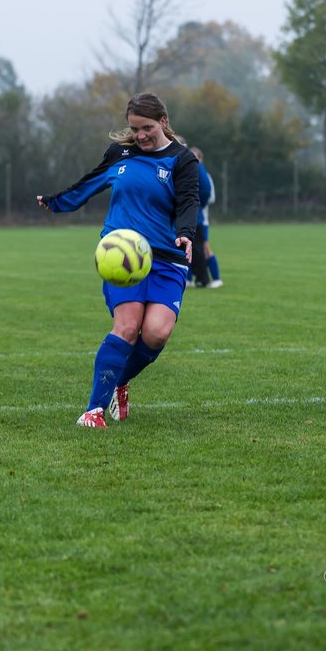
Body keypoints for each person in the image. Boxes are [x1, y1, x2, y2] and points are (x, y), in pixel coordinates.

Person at [37, 92, 197, 429]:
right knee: (126, 327)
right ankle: (93, 411)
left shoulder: (182, 160)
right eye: (135, 128)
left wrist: (185, 233)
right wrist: (56, 202)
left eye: (147, 127)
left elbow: (188, 202)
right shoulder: (120, 154)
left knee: (156, 334)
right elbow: (90, 183)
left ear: (163, 122)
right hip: (122, 258)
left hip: (168, 259)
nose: (140, 135)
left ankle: (119, 383)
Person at [188, 146, 223, 288]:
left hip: (202, 218)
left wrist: (197, 205)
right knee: (190, 248)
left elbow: (210, 196)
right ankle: (189, 279)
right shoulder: (191, 172)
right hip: (194, 217)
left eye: (195, 157)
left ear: (201, 159)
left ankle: (216, 278)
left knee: (205, 248)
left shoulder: (204, 174)